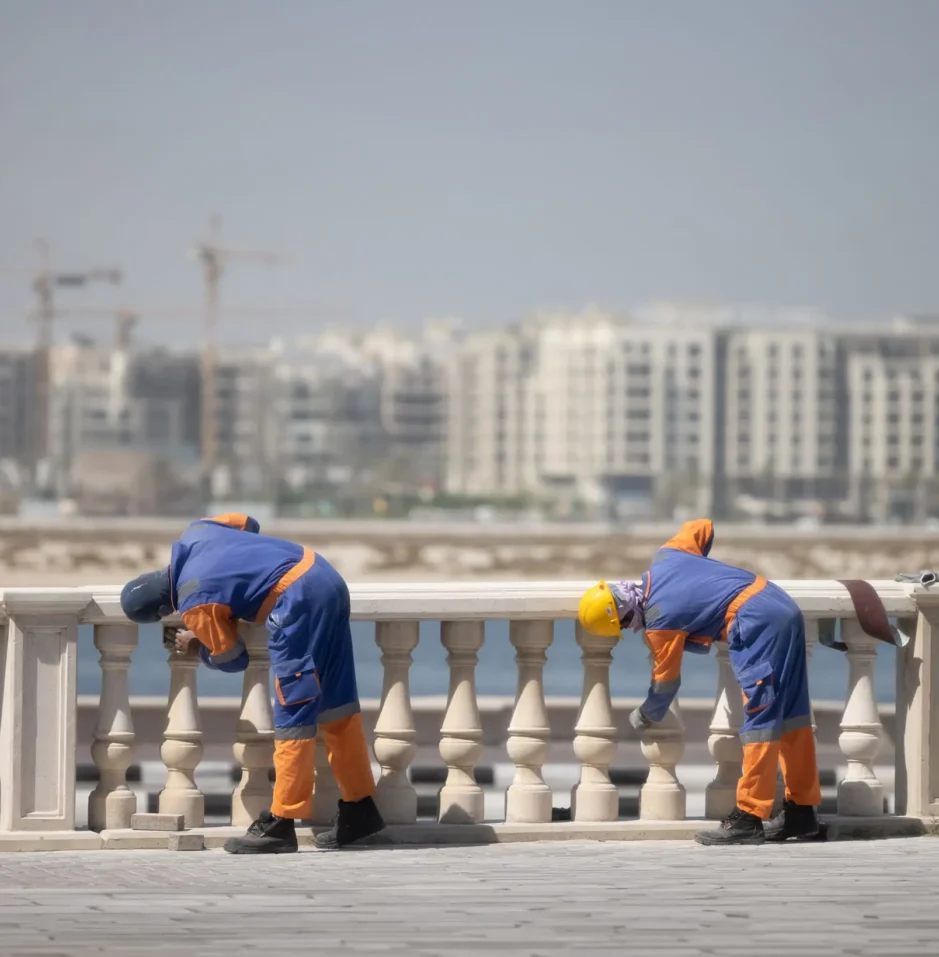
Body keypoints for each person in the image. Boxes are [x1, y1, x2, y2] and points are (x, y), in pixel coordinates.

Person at [120, 511, 385, 854]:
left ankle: (281, 822)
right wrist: (244, 566)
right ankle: (360, 807)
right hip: (322, 573)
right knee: (337, 702)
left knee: (295, 713)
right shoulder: (196, 532)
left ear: (161, 611)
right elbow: (248, 523)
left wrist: (198, 643)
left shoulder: (193, 602)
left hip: (296, 600)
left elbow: (234, 658)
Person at [577, 518, 821, 846]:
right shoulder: (667, 557)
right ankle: (802, 812)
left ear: (620, 616)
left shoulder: (659, 623)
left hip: (756, 621)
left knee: (761, 720)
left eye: (622, 626)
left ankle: (749, 817)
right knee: (793, 714)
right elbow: (702, 526)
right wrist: (700, 575)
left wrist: (645, 715)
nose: (628, 629)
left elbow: (666, 685)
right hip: (780, 603)